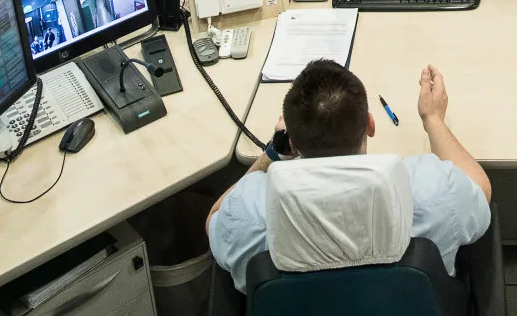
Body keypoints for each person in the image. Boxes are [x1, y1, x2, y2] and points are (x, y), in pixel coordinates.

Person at [208, 60, 491, 294]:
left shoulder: (250, 214)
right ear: (370, 125)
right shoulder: (433, 191)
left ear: (292, 142)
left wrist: (273, 151)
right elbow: (481, 188)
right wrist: (433, 119)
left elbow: (214, 218)